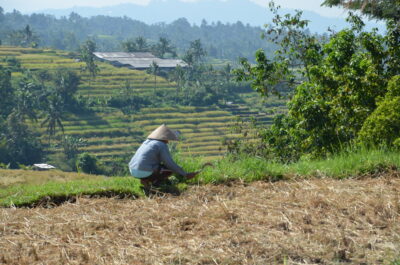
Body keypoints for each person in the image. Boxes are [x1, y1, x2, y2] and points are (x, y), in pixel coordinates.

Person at [128, 124, 197, 186]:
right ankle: (156, 183)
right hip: (144, 171)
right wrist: (185, 174)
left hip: (133, 170)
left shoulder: (147, 142)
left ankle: (145, 180)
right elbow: (169, 163)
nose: (168, 141)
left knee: (160, 168)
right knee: (169, 169)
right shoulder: (161, 145)